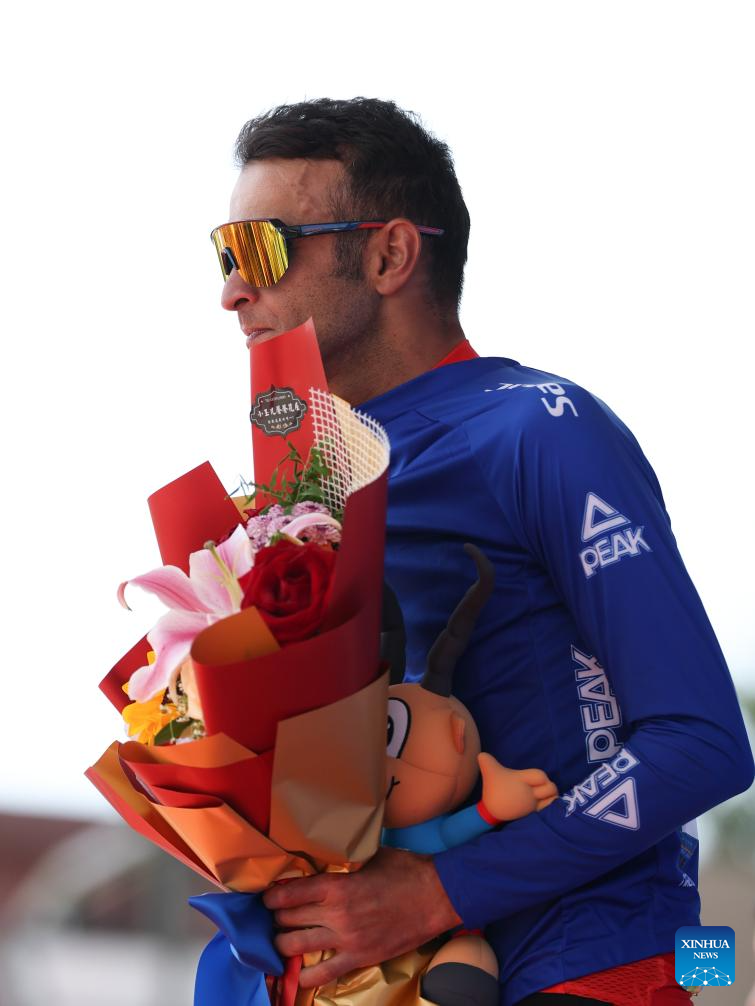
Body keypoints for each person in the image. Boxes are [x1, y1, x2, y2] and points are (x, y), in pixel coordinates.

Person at [214, 98, 754, 1006]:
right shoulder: (304, 483)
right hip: (385, 971)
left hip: (586, 959)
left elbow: (701, 746)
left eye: (262, 249)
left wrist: (438, 890)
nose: (232, 290)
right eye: (223, 255)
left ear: (388, 255)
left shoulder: (539, 428)